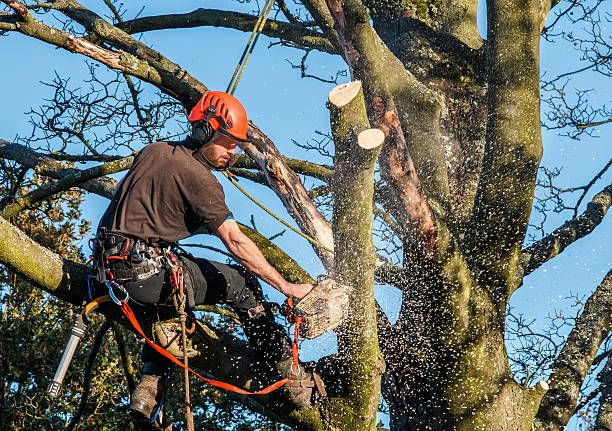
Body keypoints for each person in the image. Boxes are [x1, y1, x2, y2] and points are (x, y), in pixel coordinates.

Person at [95, 91, 324, 428]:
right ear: (205, 132)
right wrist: (287, 286)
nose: (231, 152)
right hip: (143, 274)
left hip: (108, 272)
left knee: (170, 305)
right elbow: (234, 239)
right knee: (242, 283)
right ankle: (292, 380)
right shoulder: (200, 179)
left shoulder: (153, 152)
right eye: (227, 143)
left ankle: (147, 390)